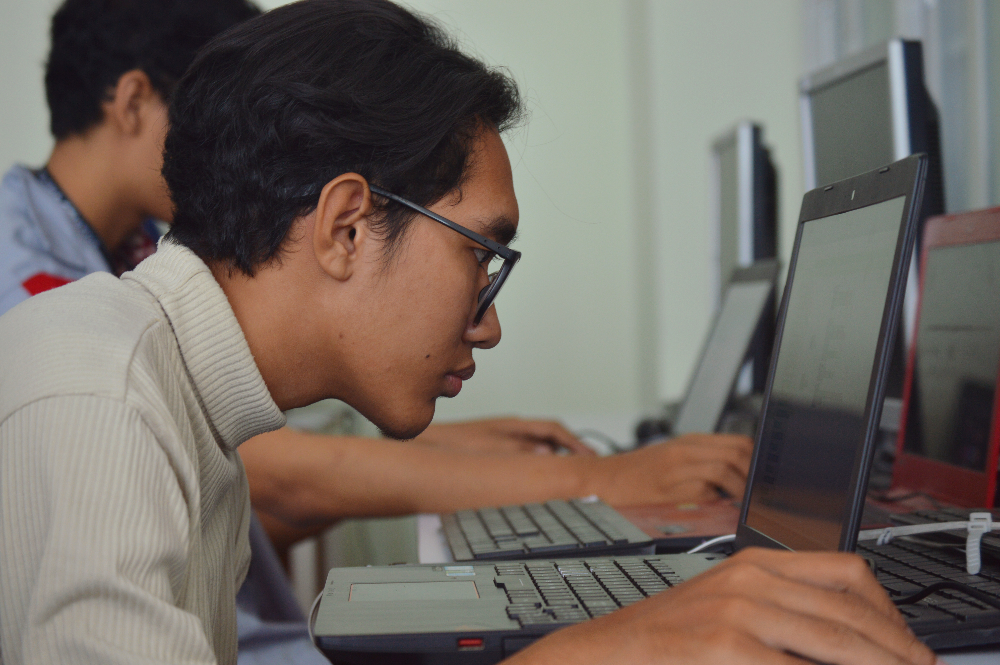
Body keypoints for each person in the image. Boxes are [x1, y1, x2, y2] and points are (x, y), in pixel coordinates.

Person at [0, 1, 934, 663]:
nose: (489, 324)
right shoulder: (100, 398)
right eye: (479, 254)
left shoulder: (185, 399)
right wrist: (601, 648)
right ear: (346, 227)